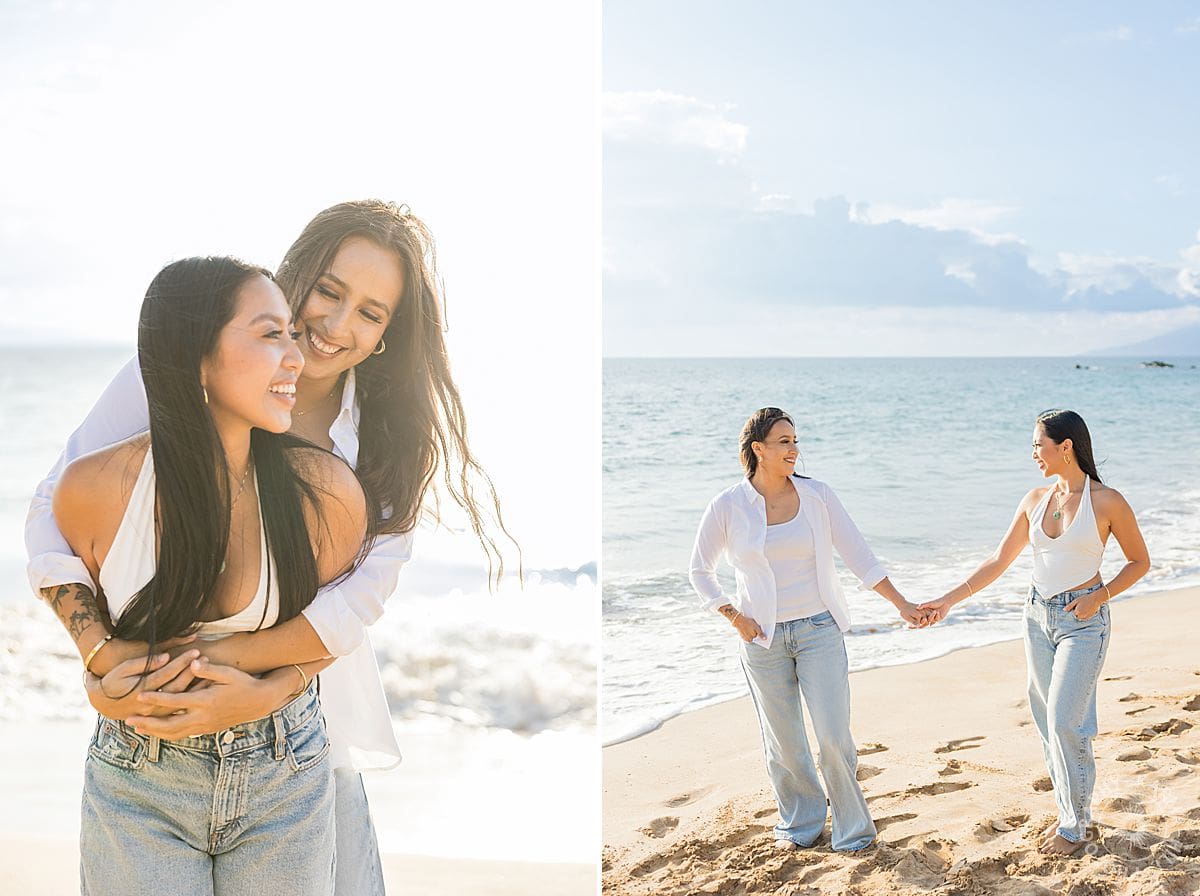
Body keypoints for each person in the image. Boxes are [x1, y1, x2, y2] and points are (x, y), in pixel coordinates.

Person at [25, 200, 511, 895]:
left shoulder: (384, 438)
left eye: (371, 314)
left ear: (384, 338)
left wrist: (259, 684)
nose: (336, 325)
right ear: (297, 275)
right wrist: (100, 650)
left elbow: (362, 597)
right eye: (330, 291)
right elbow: (55, 504)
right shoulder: (183, 365)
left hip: (305, 711)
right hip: (160, 733)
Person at [54, 256, 370, 893]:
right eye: (269, 334)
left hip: (285, 769)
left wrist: (274, 690)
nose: (296, 359)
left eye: (291, 333)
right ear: (197, 357)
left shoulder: (327, 495)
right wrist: (97, 660)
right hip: (139, 776)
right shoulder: (94, 491)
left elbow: (334, 627)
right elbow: (62, 575)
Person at [688, 407, 927, 852]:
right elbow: (699, 571)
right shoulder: (728, 505)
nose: (793, 449)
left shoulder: (818, 495)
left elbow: (860, 556)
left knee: (834, 737)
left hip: (819, 629)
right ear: (757, 449)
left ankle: (853, 829)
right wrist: (734, 616)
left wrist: (903, 605)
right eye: (783, 442)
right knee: (785, 743)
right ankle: (801, 824)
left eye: (795, 440)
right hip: (762, 639)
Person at [919, 409, 1150, 856]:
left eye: (1038, 445)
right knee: (1049, 724)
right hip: (1036, 617)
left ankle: (1075, 827)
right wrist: (947, 600)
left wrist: (1098, 598)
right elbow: (998, 561)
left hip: (1083, 620)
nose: (1033, 455)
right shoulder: (1034, 499)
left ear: (1066, 447)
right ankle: (1070, 813)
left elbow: (1140, 562)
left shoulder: (1107, 502)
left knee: (1067, 721)